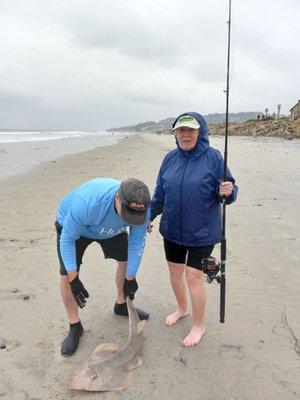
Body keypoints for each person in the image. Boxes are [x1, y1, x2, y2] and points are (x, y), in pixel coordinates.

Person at [149, 112, 238, 348]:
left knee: (193, 276)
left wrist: (229, 192)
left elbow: (228, 191)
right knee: (175, 272)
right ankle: (182, 309)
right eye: (181, 130)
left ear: (201, 132)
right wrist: (149, 215)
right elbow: (160, 195)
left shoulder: (214, 158)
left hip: (202, 231)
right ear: (175, 133)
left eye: (191, 130)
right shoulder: (169, 159)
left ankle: (199, 325)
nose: (185, 135)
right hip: (172, 230)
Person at [56, 177, 151, 356]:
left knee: (126, 260)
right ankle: (75, 325)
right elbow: (67, 239)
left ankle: (121, 304)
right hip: (76, 228)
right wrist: (74, 279)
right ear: (117, 198)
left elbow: (137, 242)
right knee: (66, 275)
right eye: (127, 214)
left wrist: (130, 279)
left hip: (111, 230)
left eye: (135, 216)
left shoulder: (144, 208)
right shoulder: (88, 204)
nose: (131, 219)